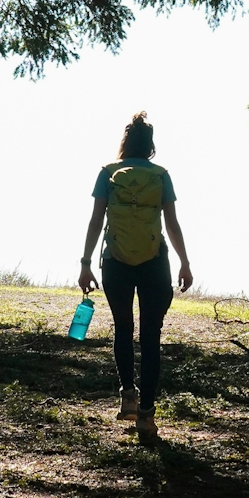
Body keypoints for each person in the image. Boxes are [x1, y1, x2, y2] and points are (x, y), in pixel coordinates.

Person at [78, 111, 193, 445]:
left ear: (125, 143)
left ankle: (128, 393)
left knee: (123, 328)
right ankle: (146, 415)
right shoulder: (160, 175)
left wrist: (85, 263)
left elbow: (96, 221)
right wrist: (185, 262)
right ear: (151, 146)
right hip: (154, 262)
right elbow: (171, 223)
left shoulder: (109, 173)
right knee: (151, 337)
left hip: (115, 261)